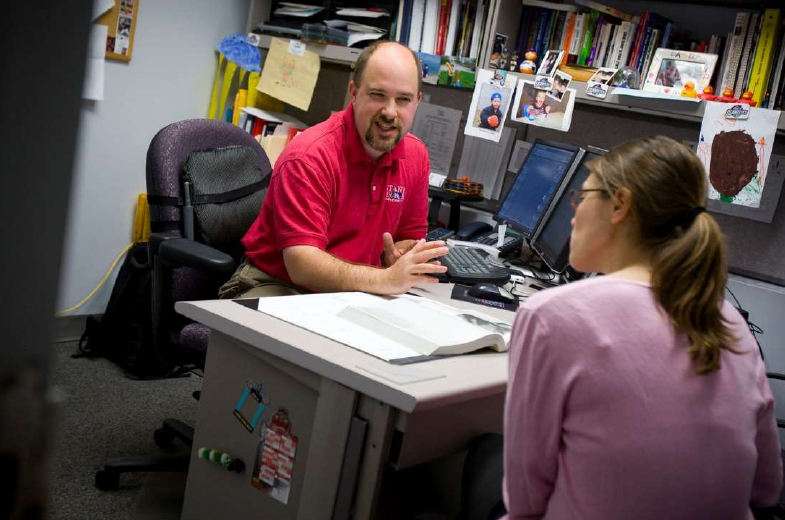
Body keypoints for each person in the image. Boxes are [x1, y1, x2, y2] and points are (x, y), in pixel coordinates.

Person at [502, 136, 782, 520]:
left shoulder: (551, 316)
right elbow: (765, 489)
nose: (573, 214)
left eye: (581, 198)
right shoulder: (729, 321)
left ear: (619, 204)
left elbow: (524, 501)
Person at [218, 41, 449, 299]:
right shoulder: (309, 156)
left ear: (417, 102)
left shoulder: (416, 157)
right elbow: (302, 266)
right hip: (275, 283)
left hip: (354, 290)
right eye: (377, 95)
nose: (390, 112)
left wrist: (397, 257)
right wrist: (385, 278)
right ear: (354, 92)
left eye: (403, 99)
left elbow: (408, 242)